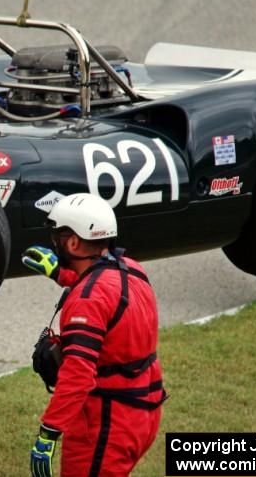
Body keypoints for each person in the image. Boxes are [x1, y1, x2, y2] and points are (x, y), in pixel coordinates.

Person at [22, 193, 165, 477]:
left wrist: (48, 434)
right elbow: (106, 296)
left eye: (58, 237)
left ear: (73, 243)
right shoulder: (133, 270)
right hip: (144, 415)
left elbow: (78, 374)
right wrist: (60, 274)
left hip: (107, 424)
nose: (54, 242)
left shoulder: (87, 301)